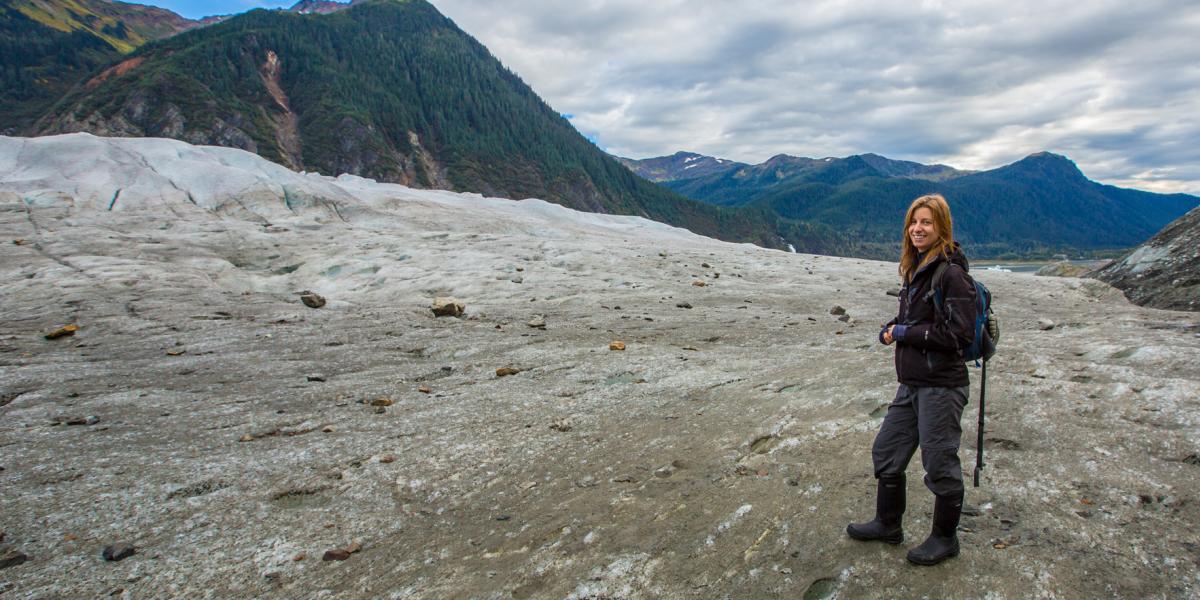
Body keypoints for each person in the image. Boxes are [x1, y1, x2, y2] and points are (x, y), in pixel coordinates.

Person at [846, 193, 978, 566]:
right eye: (913, 222)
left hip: (942, 386)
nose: (917, 229)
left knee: (939, 464)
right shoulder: (917, 269)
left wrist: (904, 333)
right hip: (914, 384)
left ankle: (944, 539)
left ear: (941, 228)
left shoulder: (951, 273)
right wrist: (893, 326)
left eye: (926, 223)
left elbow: (959, 335)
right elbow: (918, 320)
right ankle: (888, 525)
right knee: (887, 452)